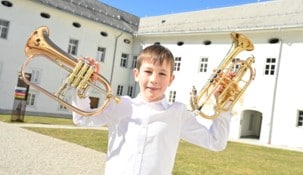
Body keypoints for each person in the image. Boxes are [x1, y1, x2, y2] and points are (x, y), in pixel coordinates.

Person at [72, 44, 232, 175]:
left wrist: (223, 103)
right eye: (148, 71)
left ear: (171, 79)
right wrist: (83, 84)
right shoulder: (120, 105)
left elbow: (216, 142)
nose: (154, 79)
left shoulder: (178, 113)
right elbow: (82, 119)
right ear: (136, 74)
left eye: (162, 73)